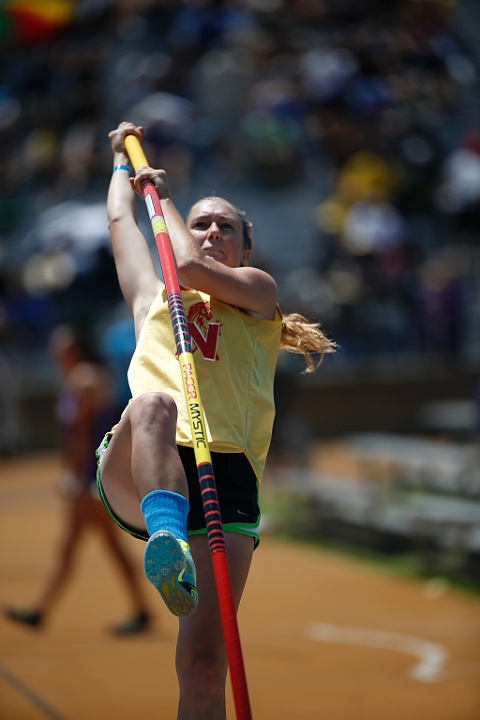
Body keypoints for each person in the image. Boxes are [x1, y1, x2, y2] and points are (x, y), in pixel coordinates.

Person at [99, 121, 335, 719]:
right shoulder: (152, 299)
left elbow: (189, 264)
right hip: (144, 461)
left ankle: (177, 549)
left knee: (205, 669)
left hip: (226, 472)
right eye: (200, 222)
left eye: (223, 226)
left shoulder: (259, 296)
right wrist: (122, 166)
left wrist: (169, 196)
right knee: (153, 402)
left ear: (244, 248)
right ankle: (167, 537)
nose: (209, 232)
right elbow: (123, 223)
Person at [4, 325, 151, 636]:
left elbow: (81, 435)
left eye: (61, 348)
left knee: (73, 547)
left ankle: (40, 610)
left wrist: (73, 475)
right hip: (96, 476)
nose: (56, 354)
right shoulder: (88, 377)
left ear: (74, 350)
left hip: (89, 479)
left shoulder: (83, 381)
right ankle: (141, 609)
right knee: (104, 546)